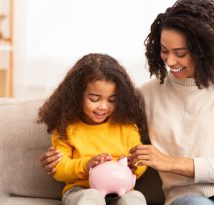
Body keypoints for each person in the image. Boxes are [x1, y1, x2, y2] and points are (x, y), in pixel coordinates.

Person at [40, 0, 214, 205]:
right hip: (184, 195)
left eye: (180, 53)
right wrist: (61, 158)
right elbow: (104, 122)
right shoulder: (147, 95)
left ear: (205, 49)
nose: (170, 61)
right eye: (164, 50)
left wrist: (168, 162)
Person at [37, 53, 148, 205]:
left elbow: (141, 161)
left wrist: (134, 165)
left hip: (123, 190)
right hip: (81, 190)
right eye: (94, 99)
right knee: (91, 197)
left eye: (112, 100)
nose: (103, 106)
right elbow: (59, 168)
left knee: (136, 199)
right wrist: (87, 165)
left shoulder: (126, 126)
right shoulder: (67, 128)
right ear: (77, 96)